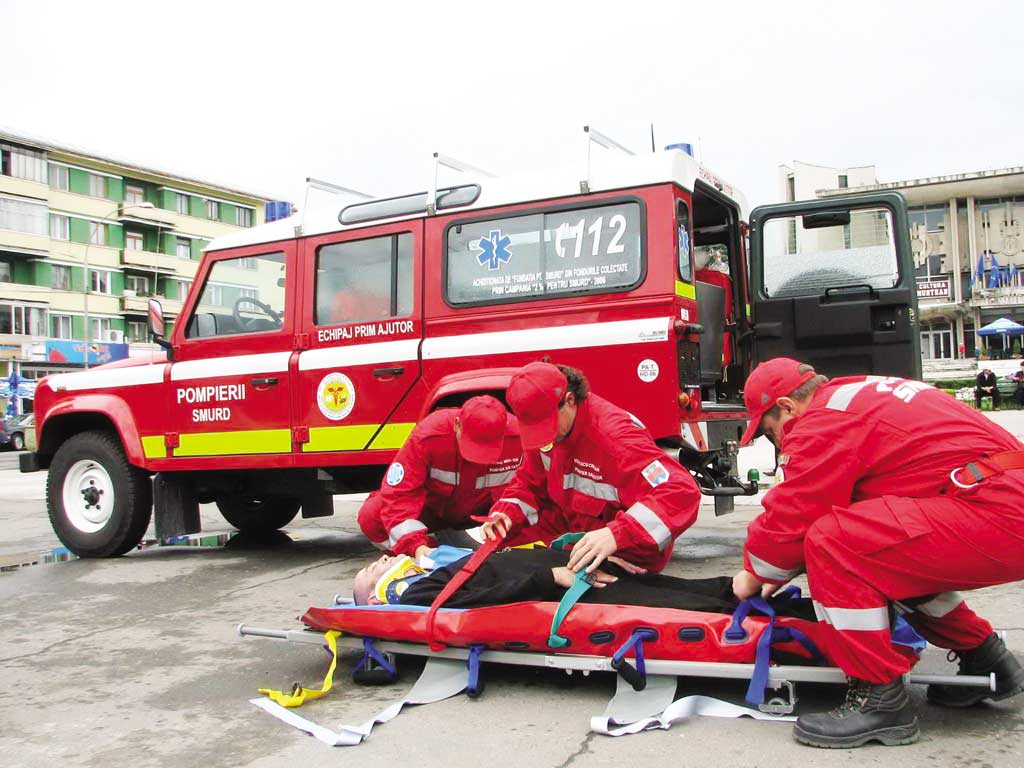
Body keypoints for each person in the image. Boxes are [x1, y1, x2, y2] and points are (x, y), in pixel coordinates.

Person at [731, 357, 1024, 749]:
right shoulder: (859, 395)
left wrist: (754, 574)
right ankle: (986, 658)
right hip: (997, 499)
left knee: (832, 541)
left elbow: (795, 513)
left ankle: (879, 701)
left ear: (786, 406)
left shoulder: (821, 420)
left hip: (998, 511)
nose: (778, 442)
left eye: (770, 432)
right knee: (880, 545)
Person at [480, 362, 701, 574]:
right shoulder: (551, 429)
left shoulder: (615, 440)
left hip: (622, 546)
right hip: (573, 529)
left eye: (545, 425)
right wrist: (505, 514)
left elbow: (682, 491)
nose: (543, 436)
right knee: (502, 552)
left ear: (570, 400)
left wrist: (615, 535)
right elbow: (529, 481)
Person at [351, 545, 760, 615]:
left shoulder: (433, 564)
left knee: (675, 586)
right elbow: (484, 597)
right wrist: (551, 576)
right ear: (376, 597)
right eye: (372, 569)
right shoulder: (415, 593)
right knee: (672, 602)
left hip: (568, 564)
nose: (382, 559)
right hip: (562, 582)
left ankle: (757, 593)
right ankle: (766, 619)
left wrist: (575, 550)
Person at [357, 396, 523, 559]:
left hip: (488, 512)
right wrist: (416, 547)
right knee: (371, 517)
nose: (477, 458)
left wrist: (507, 515)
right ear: (457, 425)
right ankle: (422, 555)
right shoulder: (429, 437)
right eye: (472, 446)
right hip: (434, 510)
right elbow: (399, 495)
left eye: (487, 449)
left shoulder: (518, 437)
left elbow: (528, 489)